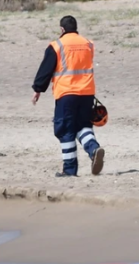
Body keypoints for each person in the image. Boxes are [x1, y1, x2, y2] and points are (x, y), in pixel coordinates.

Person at [32, 15, 105, 177]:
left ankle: (70, 170)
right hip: (87, 93)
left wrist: (38, 89)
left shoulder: (56, 46)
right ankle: (93, 149)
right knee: (82, 126)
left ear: (62, 29)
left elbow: (46, 70)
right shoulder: (88, 44)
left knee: (65, 130)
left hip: (66, 93)